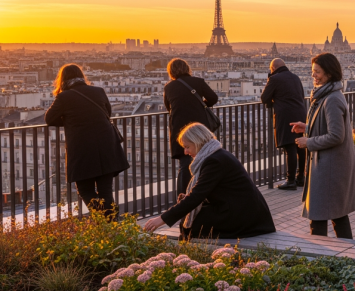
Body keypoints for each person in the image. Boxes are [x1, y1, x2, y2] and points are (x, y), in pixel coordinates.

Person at [142, 123, 276, 239]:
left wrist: (162, 219)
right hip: (244, 210)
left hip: (241, 216)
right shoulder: (217, 154)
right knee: (189, 219)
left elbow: (197, 195)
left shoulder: (214, 161)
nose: (185, 152)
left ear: (197, 142)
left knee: (190, 226)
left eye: (187, 147)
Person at [45, 64, 129, 220]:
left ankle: (103, 221)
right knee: (105, 190)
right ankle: (111, 223)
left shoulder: (64, 97)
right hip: (107, 145)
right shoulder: (98, 91)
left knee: (85, 189)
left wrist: (70, 121)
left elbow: (49, 119)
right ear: (82, 76)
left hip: (82, 148)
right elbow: (107, 113)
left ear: (62, 79)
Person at [290, 53, 355, 238]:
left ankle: (320, 257)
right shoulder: (329, 95)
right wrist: (307, 127)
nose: (313, 75)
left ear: (329, 73)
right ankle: (344, 256)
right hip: (328, 165)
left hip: (329, 167)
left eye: (317, 72)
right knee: (337, 215)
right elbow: (331, 129)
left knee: (319, 216)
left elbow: (336, 135)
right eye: (313, 71)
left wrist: (309, 142)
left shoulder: (331, 99)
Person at [163, 58, 219, 195]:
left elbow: (168, 107)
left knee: (184, 166)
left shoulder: (169, 87)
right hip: (199, 127)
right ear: (187, 68)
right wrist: (200, 104)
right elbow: (213, 98)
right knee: (205, 159)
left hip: (180, 129)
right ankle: (206, 192)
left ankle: (183, 197)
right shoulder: (198, 82)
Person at [261, 58, 307, 190]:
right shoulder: (295, 77)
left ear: (273, 68)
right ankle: (301, 178)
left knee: (289, 147)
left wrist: (270, 80)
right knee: (301, 146)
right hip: (300, 114)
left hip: (286, 116)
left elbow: (264, 98)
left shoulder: (275, 79)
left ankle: (290, 180)